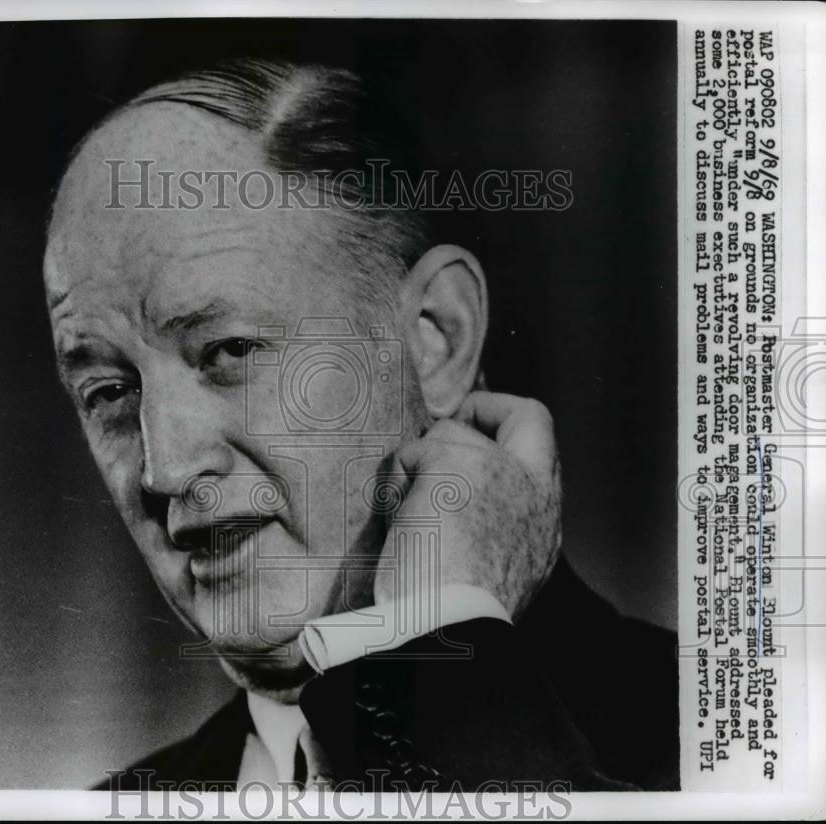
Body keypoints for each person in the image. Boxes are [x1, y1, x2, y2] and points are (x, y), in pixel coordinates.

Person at [43, 58, 678, 792]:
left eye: (229, 351)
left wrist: (440, 651)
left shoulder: (740, 747)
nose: (165, 470)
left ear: (435, 340)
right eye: (109, 391)